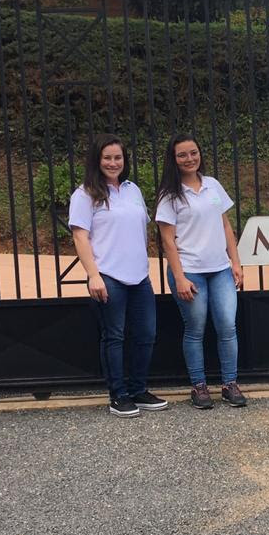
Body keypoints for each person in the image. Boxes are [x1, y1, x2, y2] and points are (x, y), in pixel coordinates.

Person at [68, 133, 166, 417]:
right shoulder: (85, 194)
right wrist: (93, 275)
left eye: (118, 157)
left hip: (139, 277)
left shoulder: (132, 190)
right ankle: (118, 395)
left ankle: (138, 389)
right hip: (108, 276)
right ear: (97, 160)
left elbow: (142, 229)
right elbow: (80, 237)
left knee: (146, 335)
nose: (113, 162)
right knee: (114, 337)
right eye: (107, 158)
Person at [155, 135, 247, 410]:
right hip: (190, 272)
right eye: (182, 155)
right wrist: (179, 277)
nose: (189, 159)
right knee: (195, 330)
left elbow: (226, 226)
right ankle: (199, 386)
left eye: (193, 153)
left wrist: (236, 262)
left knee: (227, 327)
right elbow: (167, 240)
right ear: (173, 159)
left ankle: (230, 384)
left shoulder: (212, 186)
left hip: (220, 270)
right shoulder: (169, 195)